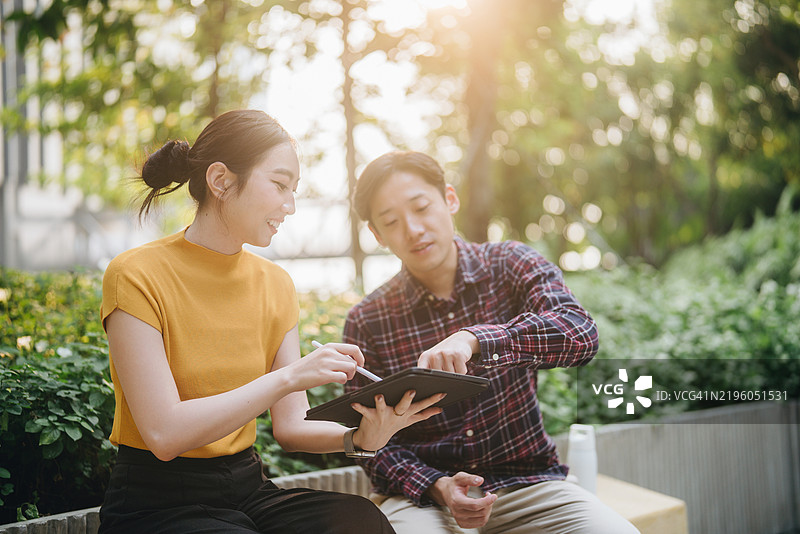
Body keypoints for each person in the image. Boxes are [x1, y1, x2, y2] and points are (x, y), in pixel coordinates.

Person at [97, 111, 444, 534]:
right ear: (221, 180)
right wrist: (289, 377)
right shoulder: (136, 273)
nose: (290, 206)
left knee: (360, 522)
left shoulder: (276, 283)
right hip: (155, 501)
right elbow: (164, 434)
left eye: (294, 190)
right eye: (280, 185)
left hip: (248, 489)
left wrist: (360, 438)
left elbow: (292, 425)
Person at [343, 150, 640, 534]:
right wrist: (438, 486)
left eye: (421, 208)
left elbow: (580, 333)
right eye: (392, 222)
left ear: (449, 199)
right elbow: (372, 446)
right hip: (423, 501)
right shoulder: (367, 320)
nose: (414, 229)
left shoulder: (511, 263)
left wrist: (476, 338)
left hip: (529, 486)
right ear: (378, 235)